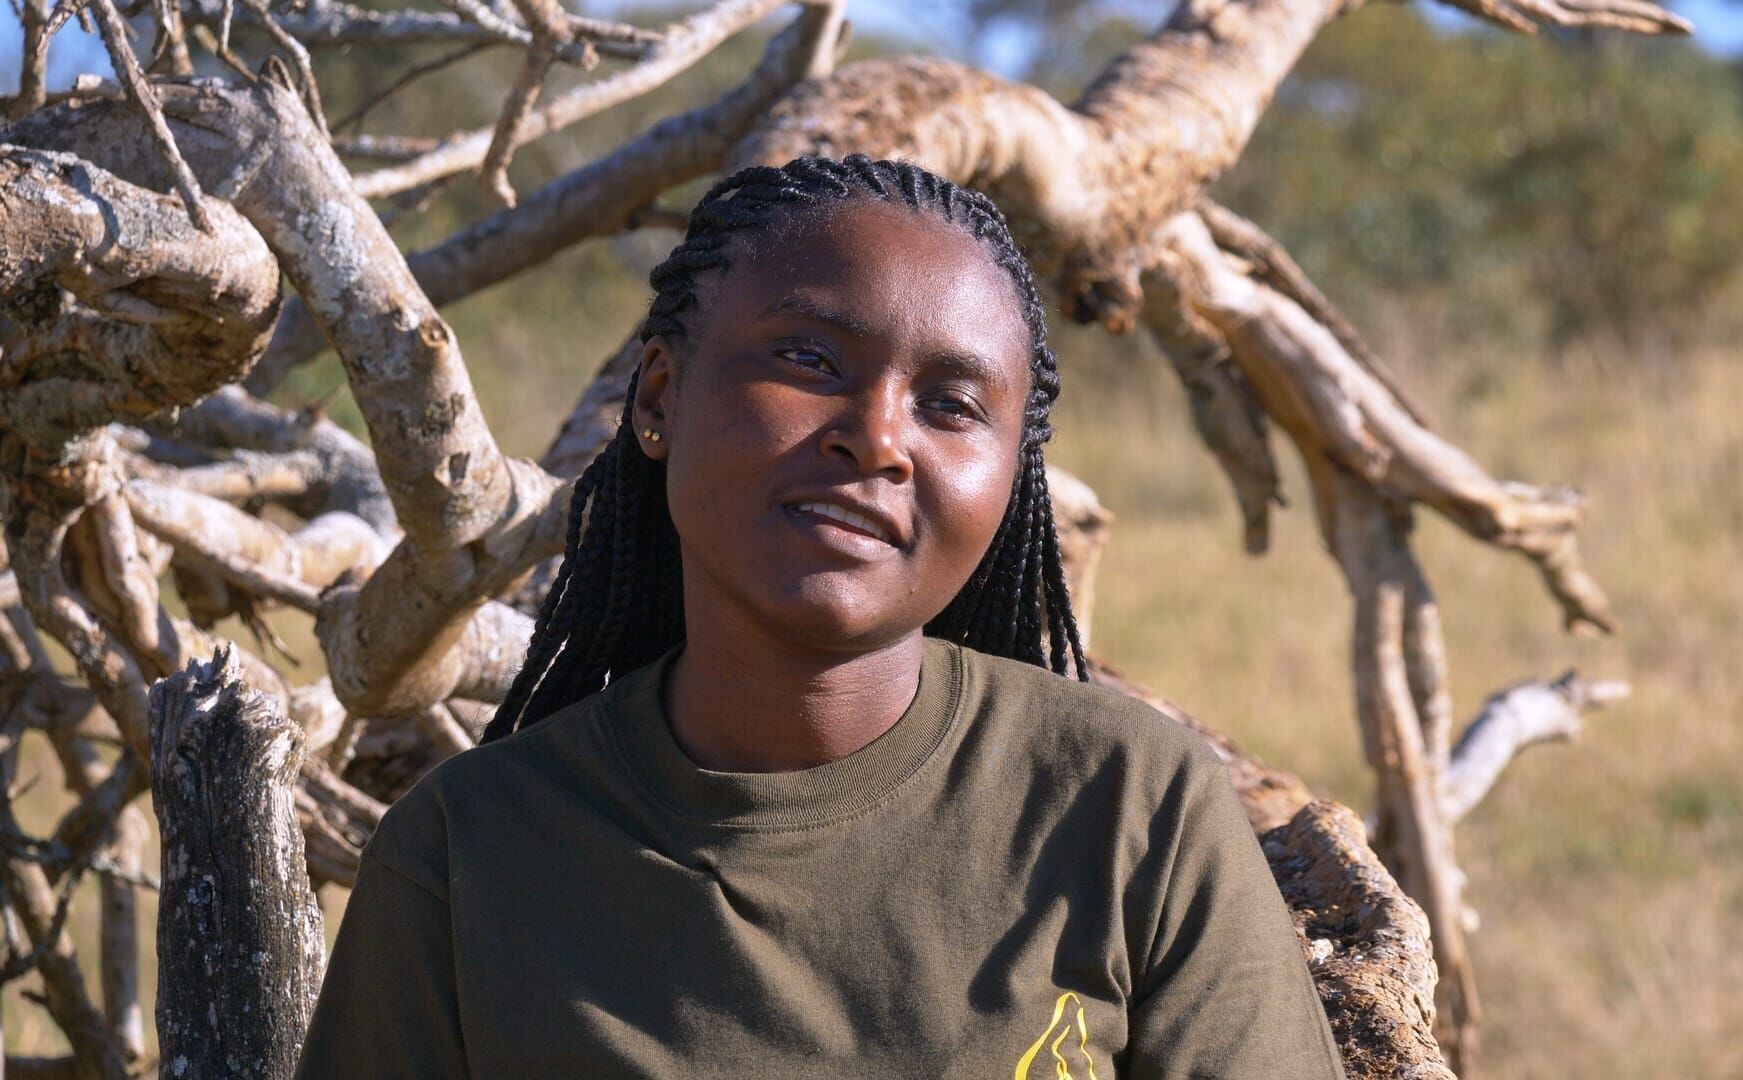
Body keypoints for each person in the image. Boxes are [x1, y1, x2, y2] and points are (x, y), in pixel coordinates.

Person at [295, 155, 1344, 1079]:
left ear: (1012, 482)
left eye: (952, 404)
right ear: (658, 398)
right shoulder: (469, 854)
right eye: (808, 361)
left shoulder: (1127, 809)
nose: (878, 439)